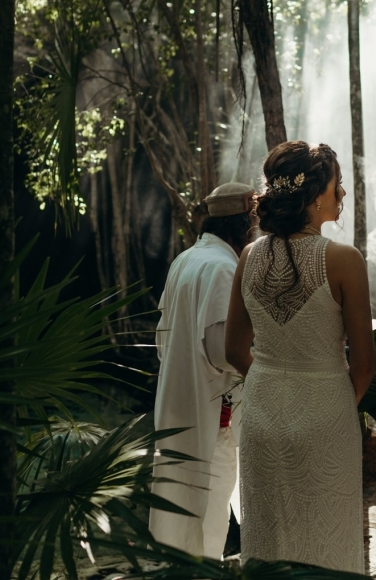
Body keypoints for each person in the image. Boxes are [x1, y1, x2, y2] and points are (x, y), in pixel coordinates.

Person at [225, 141, 376, 573]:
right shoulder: (345, 260)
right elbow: (364, 363)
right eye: (337, 186)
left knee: (268, 540)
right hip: (326, 413)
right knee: (326, 543)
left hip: (260, 413)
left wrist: (275, 382)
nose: (342, 194)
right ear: (313, 196)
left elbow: (234, 350)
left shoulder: (248, 256)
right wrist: (331, 402)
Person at [149, 182, 257, 559]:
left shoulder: (186, 260)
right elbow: (223, 350)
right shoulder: (224, 267)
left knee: (180, 511)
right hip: (213, 416)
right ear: (243, 224)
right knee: (208, 519)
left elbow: (163, 338)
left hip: (178, 405)